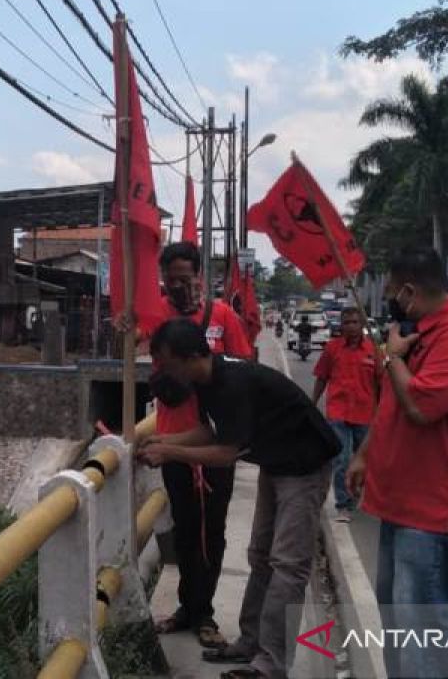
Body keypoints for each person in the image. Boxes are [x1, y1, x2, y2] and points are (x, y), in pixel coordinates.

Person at [140, 318, 340, 679]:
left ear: (190, 357)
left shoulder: (233, 382)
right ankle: (252, 641)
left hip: (304, 466)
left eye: (168, 364)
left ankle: (271, 664)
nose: (164, 373)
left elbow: (226, 453)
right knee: (260, 556)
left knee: (287, 565)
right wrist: (164, 442)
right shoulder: (207, 380)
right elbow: (209, 430)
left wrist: (169, 451)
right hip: (276, 463)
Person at [346, 247, 448, 679]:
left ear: (410, 292)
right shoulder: (422, 334)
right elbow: (394, 403)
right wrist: (364, 454)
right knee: (398, 623)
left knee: (424, 629)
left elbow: (419, 404)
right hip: (405, 506)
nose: (390, 300)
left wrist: (392, 356)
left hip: (435, 514)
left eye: (393, 293)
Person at [141, 242, 253, 648]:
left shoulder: (223, 317)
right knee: (185, 528)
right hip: (173, 439)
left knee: (213, 529)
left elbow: (244, 368)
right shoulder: (156, 316)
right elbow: (134, 345)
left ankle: (205, 612)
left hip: (216, 440)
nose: (178, 289)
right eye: (170, 282)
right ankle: (188, 607)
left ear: (200, 278)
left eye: (185, 281)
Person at [312, 306, 379, 523]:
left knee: (365, 461)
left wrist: (382, 412)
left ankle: (358, 492)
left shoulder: (374, 351)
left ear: (362, 325)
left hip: (365, 414)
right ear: (340, 325)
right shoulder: (332, 349)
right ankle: (344, 504)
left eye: (355, 322)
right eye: (347, 322)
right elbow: (322, 377)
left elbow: (382, 384)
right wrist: (311, 403)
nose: (351, 326)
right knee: (341, 459)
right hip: (338, 411)